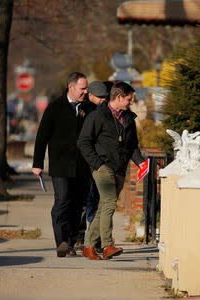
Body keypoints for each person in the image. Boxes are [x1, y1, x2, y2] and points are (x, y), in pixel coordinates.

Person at [78, 81, 145, 260]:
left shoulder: (129, 119)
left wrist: (142, 163)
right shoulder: (97, 116)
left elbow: (132, 146)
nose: (132, 102)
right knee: (108, 203)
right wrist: (97, 164)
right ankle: (107, 245)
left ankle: (89, 246)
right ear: (119, 97)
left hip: (120, 169)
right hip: (103, 168)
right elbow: (83, 142)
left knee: (103, 208)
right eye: (129, 99)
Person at [32, 72, 90, 257]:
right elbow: (42, 136)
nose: (85, 92)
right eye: (82, 88)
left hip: (82, 166)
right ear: (71, 87)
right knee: (63, 200)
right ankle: (62, 241)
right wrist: (37, 163)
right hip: (61, 165)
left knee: (77, 204)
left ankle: (72, 242)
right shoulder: (55, 107)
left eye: (86, 88)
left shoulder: (89, 107)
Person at [73, 81, 109, 254]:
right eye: (100, 97)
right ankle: (81, 237)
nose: (103, 100)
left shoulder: (106, 110)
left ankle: (96, 239)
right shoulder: (83, 110)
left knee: (97, 202)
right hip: (84, 163)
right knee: (84, 202)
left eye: (105, 97)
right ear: (91, 95)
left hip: (99, 162)